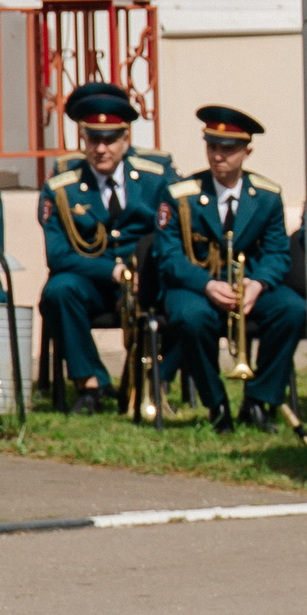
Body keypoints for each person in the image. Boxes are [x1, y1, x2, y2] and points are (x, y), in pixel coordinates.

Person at [156, 106, 307, 434]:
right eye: (212, 146)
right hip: (197, 287)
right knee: (190, 318)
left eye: (228, 149)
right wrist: (207, 285)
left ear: (246, 152)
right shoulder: (181, 194)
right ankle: (217, 403)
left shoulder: (266, 196)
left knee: (293, 310)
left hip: (246, 287)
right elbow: (168, 256)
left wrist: (257, 284)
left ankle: (259, 400)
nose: (218, 155)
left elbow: (277, 253)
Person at [37, 82, 177, 414]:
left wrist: (146, 273)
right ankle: (90, 384)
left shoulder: (156, 177)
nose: (101, 149)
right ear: (83, 139)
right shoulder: (61, 187)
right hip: (95, 283)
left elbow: (174, 234)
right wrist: (112, 271)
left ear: (126, 140)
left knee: (182, 296)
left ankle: (154, 379)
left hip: (145, 281)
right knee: (59, 291)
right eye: (93, 140)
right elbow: (58, 255)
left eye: (110, 140)